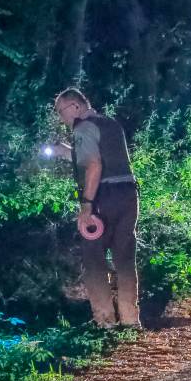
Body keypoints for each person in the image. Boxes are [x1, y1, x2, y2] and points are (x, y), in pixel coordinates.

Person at [52, 88, 141, 328]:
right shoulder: (111, 124)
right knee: (124, 257)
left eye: (62, 112)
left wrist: (87, 206)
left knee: (93, 259)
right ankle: (131, 320)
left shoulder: (83, 127)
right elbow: (104, 157)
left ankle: (105, 322)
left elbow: (93, 165)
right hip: (128, 194)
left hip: (103, 198)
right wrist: (66, 153)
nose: (62, 119)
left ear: (75, 106)